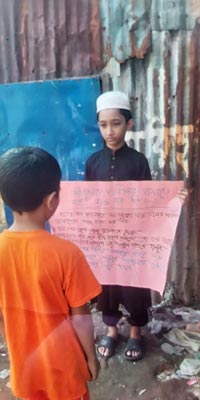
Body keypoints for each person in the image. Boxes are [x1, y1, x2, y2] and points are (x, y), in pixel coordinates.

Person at [0, 146, 102, 400]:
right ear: (52, 201)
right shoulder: (67, 254)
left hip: (25, 371)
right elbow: (81, 317)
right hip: (65, 372)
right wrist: (91, 358)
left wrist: (15, 349)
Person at [85, 91, 152, 361]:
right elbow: (86, 202)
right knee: (107, 285)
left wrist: (173, 200)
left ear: (129, 124)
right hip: (105, 240)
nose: (109, 131)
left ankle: (136, 332)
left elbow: (150, 201)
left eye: (116, 123)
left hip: (132, 237)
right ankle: (112, 330)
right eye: (103, 125)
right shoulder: (93, 163)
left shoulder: (138, 162)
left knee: (135, 285)